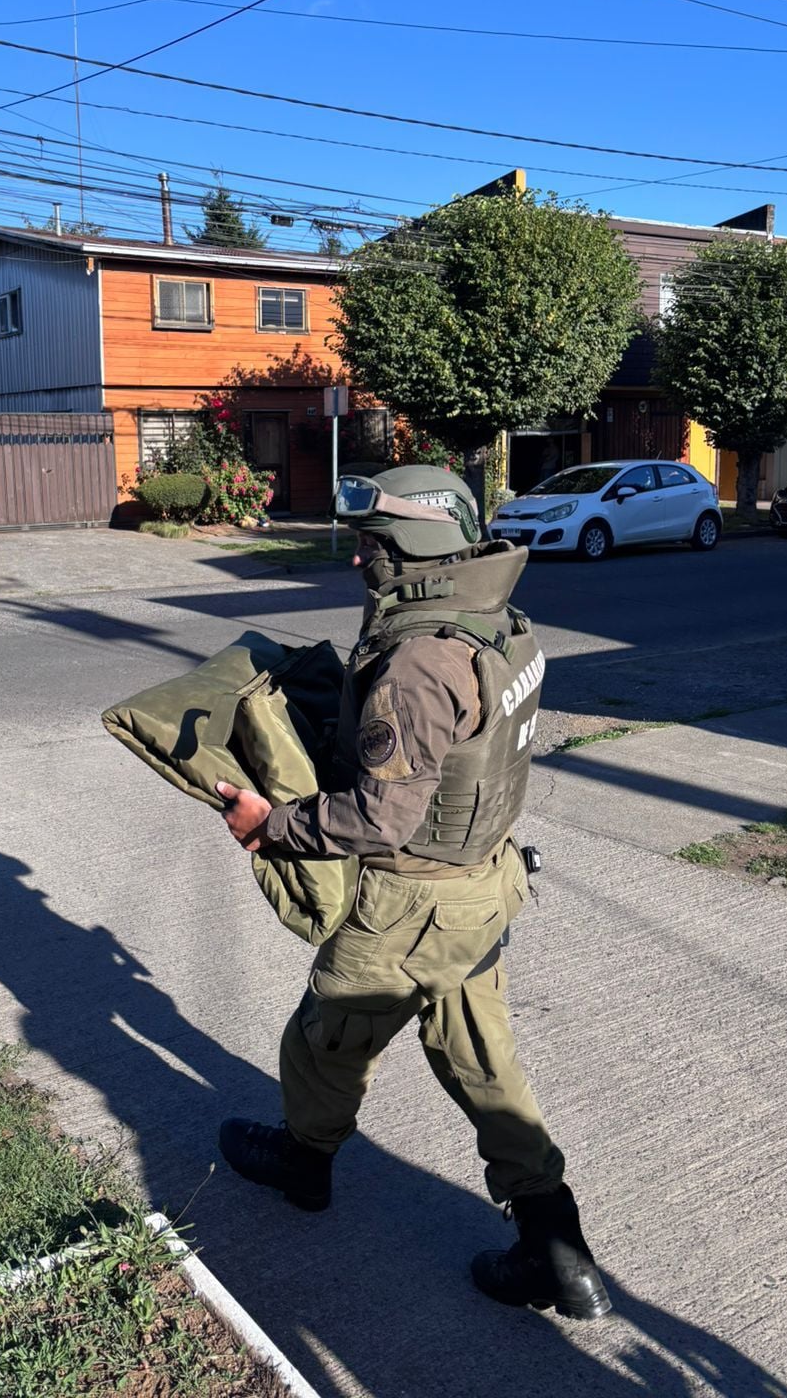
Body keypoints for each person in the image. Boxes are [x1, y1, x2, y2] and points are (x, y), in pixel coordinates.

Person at [214, 465, 611, 1322]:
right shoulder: (501, 623)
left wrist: (269, 823)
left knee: (324, 1039)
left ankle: (302, 1163)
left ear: (419, 545)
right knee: (485, 1062)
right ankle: (559, 1250)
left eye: (374, 545)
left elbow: (381, 816)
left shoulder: (419, 661)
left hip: (413, 901)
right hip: (483, 882)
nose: (363, 563)